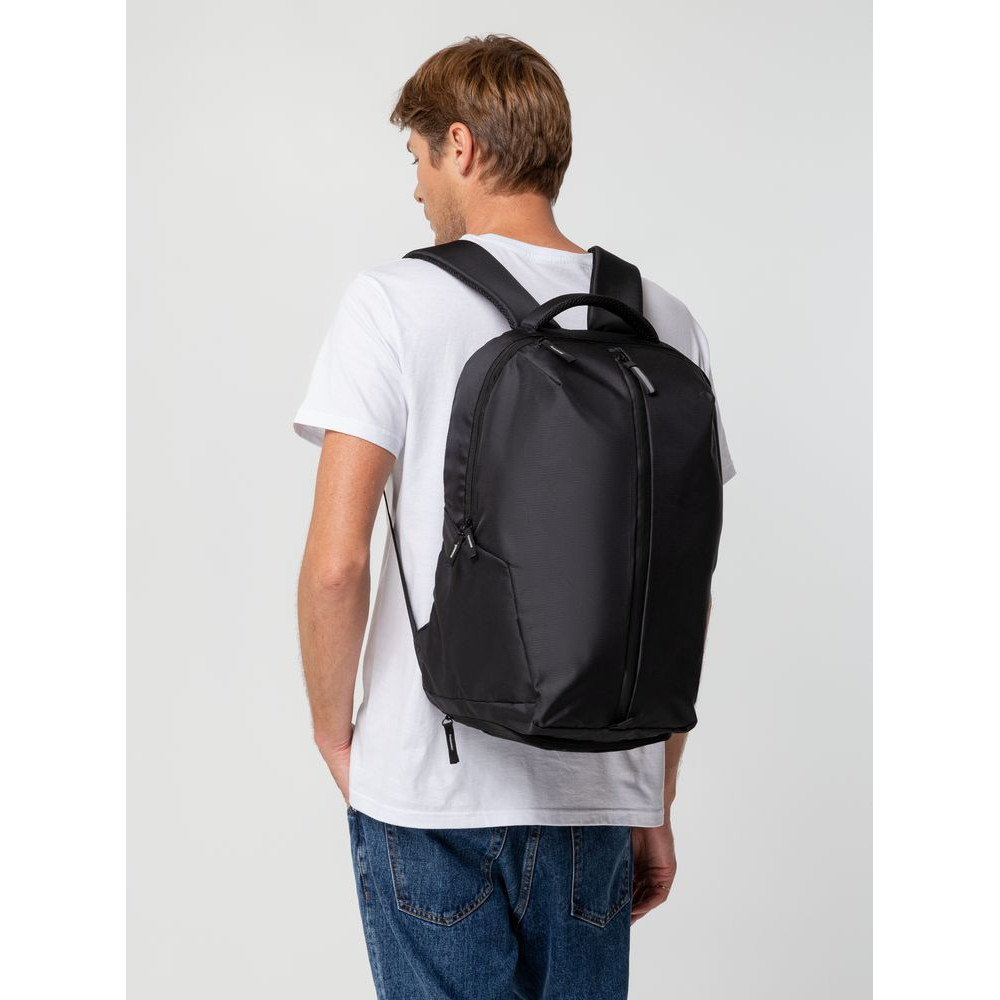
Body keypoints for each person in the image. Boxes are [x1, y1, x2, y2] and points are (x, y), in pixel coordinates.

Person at [293, 33, 736, 1000]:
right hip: (600, 797)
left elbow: (337, 562)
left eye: (418, 157)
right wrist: (653, 793)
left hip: (431, 788)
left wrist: (336, 737)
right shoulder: (665, 321)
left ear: (459, 144)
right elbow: (680, 590)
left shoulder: (392, 301)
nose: (417, 189)